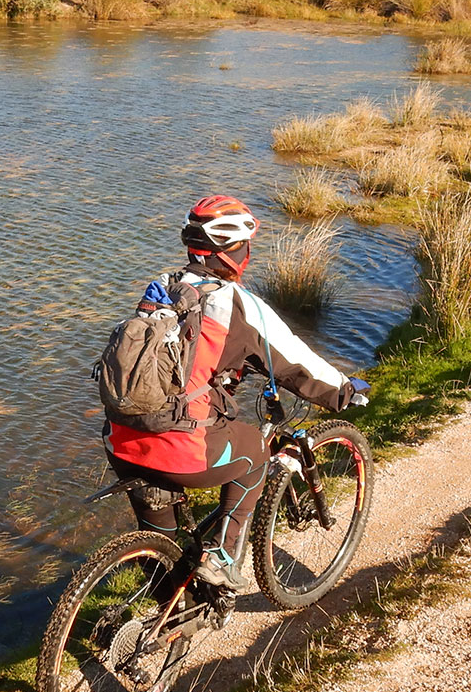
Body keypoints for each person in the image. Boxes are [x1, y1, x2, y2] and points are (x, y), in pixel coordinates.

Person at [104, 195, 369, 590]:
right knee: (257, 454)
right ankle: (224, 557)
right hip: (180, 447)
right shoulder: (237, 304)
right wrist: (343, 393)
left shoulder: (162, 288)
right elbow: (295, 361)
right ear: (236, 252)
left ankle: (164, 621)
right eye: (247, 247)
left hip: (121, 439)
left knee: (162, 547)